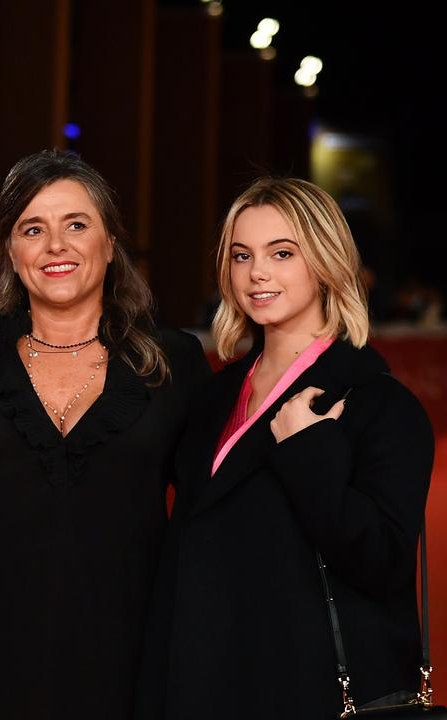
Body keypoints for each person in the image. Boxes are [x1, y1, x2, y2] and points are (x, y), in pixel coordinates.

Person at [0, 150, 211, 719]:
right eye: (34, 228)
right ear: (11, 251)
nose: (56, 245)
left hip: (129, 663)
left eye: (76, 225)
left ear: (110, 244)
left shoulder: (172, 363)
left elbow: (211, 511)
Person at [135, 177, 435, 719]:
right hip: (200, 679)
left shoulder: (379, 405)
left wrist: (311, 449)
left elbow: (383, 563)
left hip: (305, 688)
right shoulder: (212, 396)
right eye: (241, 255)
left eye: (282, 253)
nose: (258, 274)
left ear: (325, 263)